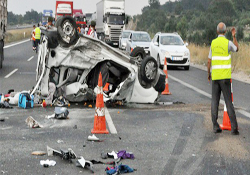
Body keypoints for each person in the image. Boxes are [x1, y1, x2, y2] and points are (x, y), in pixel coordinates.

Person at [207, 22, 239, 135]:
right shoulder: (227, 43)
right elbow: (236, 48)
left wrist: (209, 73)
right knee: (228, 102)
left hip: (215, 77)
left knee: (215, 101)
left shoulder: (213, 43)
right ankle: (234, 128)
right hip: (225, 77)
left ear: (217, 31)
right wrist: (234, 36)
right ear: (225, 32)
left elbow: (209, 60)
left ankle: (215, 126)